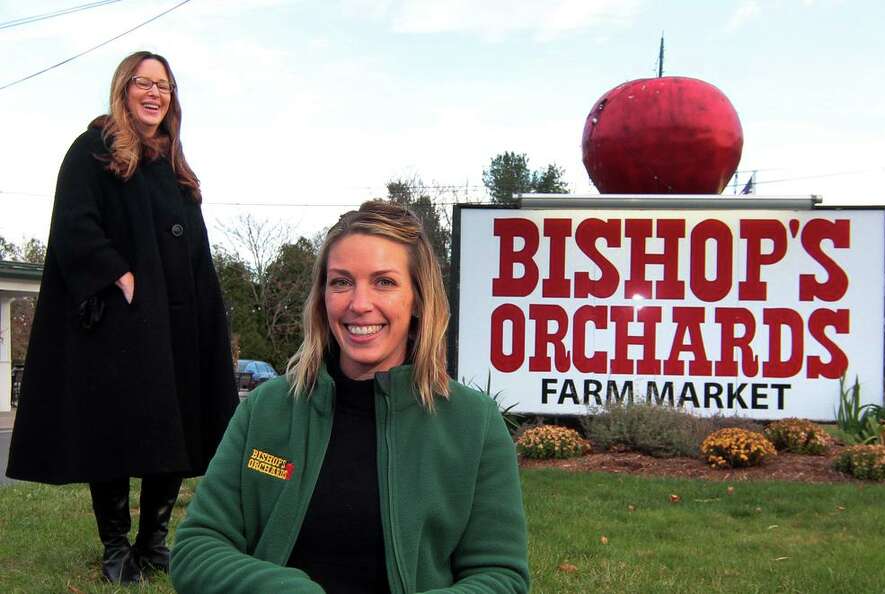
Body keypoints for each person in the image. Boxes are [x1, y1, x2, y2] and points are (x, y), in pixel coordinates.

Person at [170, 202, 530, 593]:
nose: (359, 304)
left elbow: (501, 577)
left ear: (418, 300)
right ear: (322, 296)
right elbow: (196, 548)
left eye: (384, 282)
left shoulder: (473, 423)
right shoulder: (266, 410)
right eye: (341, 282)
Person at [6, 51, 238, 584]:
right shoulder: (96, 148)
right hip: (123, 323)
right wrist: (120, 276)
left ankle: (152, 543)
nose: (156, 94)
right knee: (111, 431)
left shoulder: (174, 163)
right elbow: (73, 223)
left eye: (165, 86)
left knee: (175, 431)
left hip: (179, 325)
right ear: (124, 88)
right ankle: (116, 548)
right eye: (144, 83)